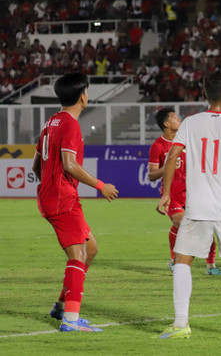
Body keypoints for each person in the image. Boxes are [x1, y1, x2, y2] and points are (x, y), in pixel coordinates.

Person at [157, 77, 221, 339]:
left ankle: (181, 324)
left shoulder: (190, 123)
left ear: (204, 94)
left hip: (197, 205)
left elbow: (172, 156)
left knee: (182, 260)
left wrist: (166, 193)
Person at [32, 72, 119, 332]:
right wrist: (101, 185)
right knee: (78, 254)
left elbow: (37, 164)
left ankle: (61, 307)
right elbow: (70, 164)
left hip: (57, 196)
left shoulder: (51, 122)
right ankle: (71, 319)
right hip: (62, 199)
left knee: (90, 248)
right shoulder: (70, 124)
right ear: (83, 96)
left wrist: (49, 185)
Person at [148, 108, 221, 276]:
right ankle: (174, 261)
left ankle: (211, 266)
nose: (179, 119)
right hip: (172, 195)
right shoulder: (158, 146)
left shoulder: (187, 140)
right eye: (175, 118)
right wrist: (167, 167)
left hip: (193, 192)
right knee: (182, 224)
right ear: (166, 124)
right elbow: (151, 175)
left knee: (207, 224)